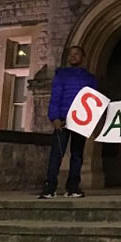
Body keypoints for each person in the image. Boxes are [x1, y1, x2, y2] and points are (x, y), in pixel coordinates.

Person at [39, 45, 98, 199]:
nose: (73, 56)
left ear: (82, 57)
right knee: (56, 154)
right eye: (71, 54)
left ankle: (73, 187)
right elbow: (56, 97)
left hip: (80, 122)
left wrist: (91, 121)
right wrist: (54, 117)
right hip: (63, 120)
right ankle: (50, 187)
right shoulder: (61, 76)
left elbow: (93, 101)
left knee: (77, 155)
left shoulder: (90, 79)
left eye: (77, 54)